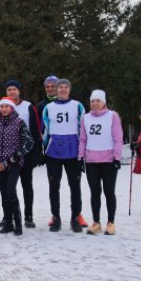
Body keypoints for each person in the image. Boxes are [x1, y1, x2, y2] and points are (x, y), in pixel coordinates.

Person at [42, 79, 86, 232]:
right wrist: (43, 149)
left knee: (75, 186)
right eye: (59, 87)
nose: (62, 89)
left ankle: (75, 217)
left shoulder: (78, 106)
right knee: (54, 186)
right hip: (54, 151)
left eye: (65, 87)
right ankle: (56, 217)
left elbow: (83, 130)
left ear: (69, 89)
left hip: (73, 151)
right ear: (56, 89)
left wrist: (83, 152)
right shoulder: (49, 107)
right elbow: (45, 130)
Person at [0, 80, 43, 228]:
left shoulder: (28, 106)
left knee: (26, 185)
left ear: (19, 91)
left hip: (25, 153)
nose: (12, 92)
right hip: (6, 156)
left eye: (14, 89)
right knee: (7, 188)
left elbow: (36, 130)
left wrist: (37, 151)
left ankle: (28, 216)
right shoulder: (2, 106)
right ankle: (7, 216)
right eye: (9, 89)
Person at [0, 97, 35, 236]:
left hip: (14, 163)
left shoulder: (19, 122)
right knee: (4, 194)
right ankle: (8, 222)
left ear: (12, 108)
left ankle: (18, 223)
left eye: (7, 106)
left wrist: (15, 157)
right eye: (2, 107)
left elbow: (29, 142)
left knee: (10, 192)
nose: (4, 109)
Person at [79, 90, 123, 235]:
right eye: (92, 101)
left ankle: (111, 223)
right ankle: (96, 222)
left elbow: (118, 138)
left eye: (98, 100)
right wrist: (81, 156)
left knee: (109, 191)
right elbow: (83, 139)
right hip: (91, 160)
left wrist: (117, 157)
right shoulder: (85, 118)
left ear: (104, 102)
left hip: (108, 160)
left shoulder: (112, 116)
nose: (95, 103)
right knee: (95, 192)